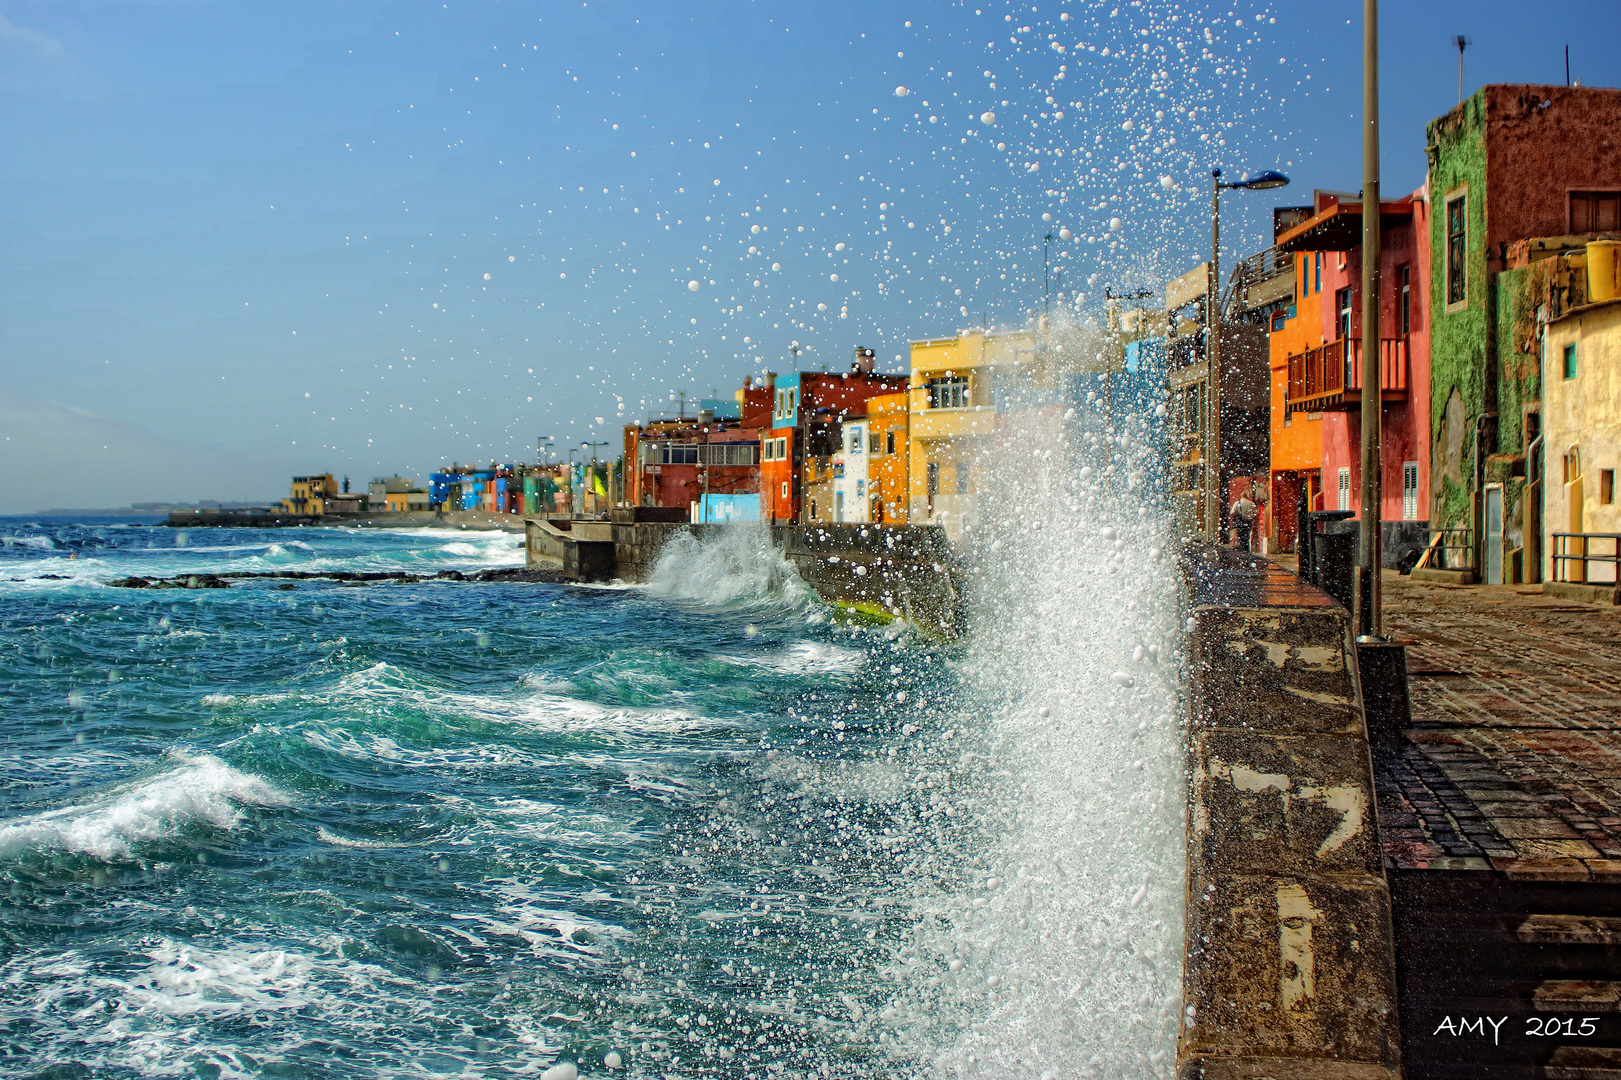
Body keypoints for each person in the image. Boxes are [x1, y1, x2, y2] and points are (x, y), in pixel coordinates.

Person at [1231, 487, 1259, 552]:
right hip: (1248, 522)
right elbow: (1255, 514)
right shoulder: (1251, 503)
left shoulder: (1237, 503)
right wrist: (1252, 519)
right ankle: (1247, 550)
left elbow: (1232, 512)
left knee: (1241, 537)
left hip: (1240, 522)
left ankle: (1242, 550)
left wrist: (1233, 521)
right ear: (1247, 496)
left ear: (1241, 496)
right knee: (1247, 537)